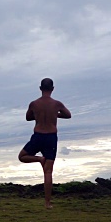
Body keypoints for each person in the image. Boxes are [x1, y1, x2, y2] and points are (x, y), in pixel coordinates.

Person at [18, 78, 71, 209]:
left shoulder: (34, 104)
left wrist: (39, 114)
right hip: (51, 138)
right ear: (53, 89)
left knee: (22, 156)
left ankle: (39, 159)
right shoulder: (57, 104)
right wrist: (55, 115)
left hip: (38, 136)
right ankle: (47, 203)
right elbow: (68, 115)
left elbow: (28, 117)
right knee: (48, 172)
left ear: (40, 88)